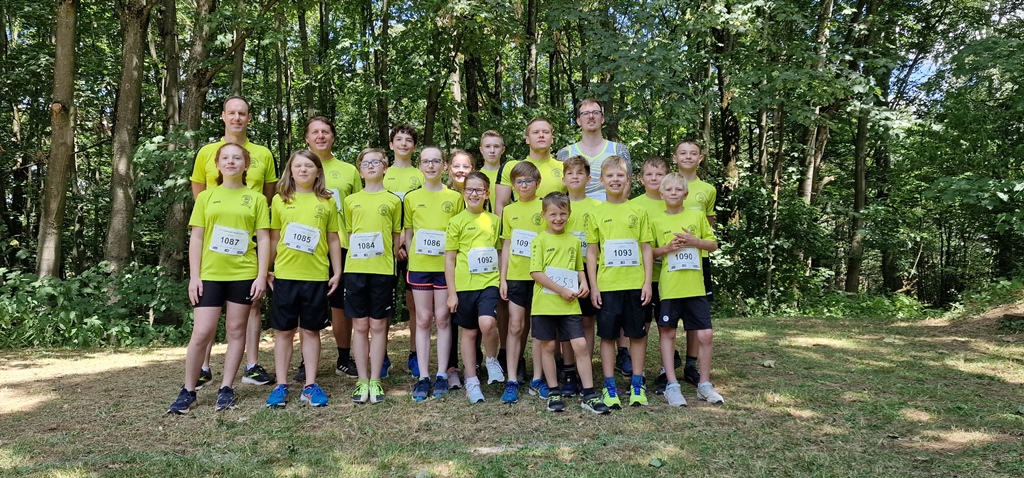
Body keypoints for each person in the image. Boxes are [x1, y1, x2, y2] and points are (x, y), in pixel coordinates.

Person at [168, 143, 271, 414]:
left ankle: (226, 388)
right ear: (217, 164)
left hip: (244, 274)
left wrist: (261, 275)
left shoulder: (257, 199)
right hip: (210, 274)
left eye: (237, 158)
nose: (231, 162)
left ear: (246, 165)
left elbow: (263, 238)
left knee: (236, 331)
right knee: (202, 332)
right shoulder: (206, 197)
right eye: (225, 158)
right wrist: (194, 276)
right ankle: (188, 390)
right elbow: (197, 237)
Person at [189, 95, 277, 388]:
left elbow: (268, 196)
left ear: (249, 118)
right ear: (223, 116)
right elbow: (200, 196)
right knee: (208, 310)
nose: (237, 118)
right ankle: (203, 367)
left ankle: (251, 365)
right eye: (232, 113)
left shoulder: (263, 153)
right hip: (214, 246)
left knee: (251, 306)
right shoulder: (206, 152)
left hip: (250, 238)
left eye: (242, 113)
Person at [264, 150, 343, 408]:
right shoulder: (280, 200)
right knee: (284, 331)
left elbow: (333, 238)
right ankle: (281, 385)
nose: (303, 170)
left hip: (316, 276)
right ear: (290, 170)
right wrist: (266, 268)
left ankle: (310, 385)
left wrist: (337, 271)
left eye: (309, 166)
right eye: (298, 166)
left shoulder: (327, 201)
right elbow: (274, 237)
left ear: (318, 171)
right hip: (285, 275)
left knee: (310, 330)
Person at [529, 192, 611, 414]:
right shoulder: (539, 241)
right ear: (544, 215)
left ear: (569, 214)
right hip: (545, 305)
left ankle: (589, 393)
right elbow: (536, 272)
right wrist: (561, 290)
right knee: (548, 346)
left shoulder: (574, 241)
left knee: (581, 345)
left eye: (563, 214)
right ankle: (553, 391)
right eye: (553, 214)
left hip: (570, 305)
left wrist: (583, 282)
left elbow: (578, 267)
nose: (558, 218)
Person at [294, 117, 362, 382]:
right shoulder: (299, 167)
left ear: (333, 137)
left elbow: (359, 207)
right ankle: (306, 361)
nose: (320, 136)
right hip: (306, 248)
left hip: (341, 245)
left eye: (325, 132)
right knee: (306, 305)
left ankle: (344, 358)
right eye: (315, 132)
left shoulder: (348, 170)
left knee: (341, 306)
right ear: (307, 138)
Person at [586, 155, 654, 409]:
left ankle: (637, 383)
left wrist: (647, 282)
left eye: (620, 175)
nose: (615, 180)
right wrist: (594, 286)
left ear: (628, 179)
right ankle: (609, 385)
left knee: (637, 334)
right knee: (608, 336)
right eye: (610, 176)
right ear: (601, 180)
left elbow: (646, 248)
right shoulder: (595, 213)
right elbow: (591, 252)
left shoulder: (639, 211)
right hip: (608, 286)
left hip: (636, 284)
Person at [650, 173, 723, 406]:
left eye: (678, 189)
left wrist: (695, 242)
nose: (673, 193)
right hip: (670, 289)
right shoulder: (655, 220)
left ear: (686, 193)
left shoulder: (696, 215)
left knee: (705, 334)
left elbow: (713, 245)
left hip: (695, 288)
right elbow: (648, 253)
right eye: (669, 189)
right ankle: (672, 384)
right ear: (661, 193)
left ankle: (704, 384)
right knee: (667, 333)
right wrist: (666, 248)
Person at [405, 146, 464, 400]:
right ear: (420, 166)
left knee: (442, 318)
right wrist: (412, 258)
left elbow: (459, 232)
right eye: (426, 161)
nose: (431, 166)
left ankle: (441, 374)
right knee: (422, 319)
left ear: (444, 166)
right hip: (419, 268)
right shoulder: (411, 198)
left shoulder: (455, 198)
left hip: (444, 269)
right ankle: (423, 377)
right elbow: (408, 232)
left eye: (436, 161)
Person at [345, 148, 402, 404]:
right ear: (360, 171)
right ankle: (362, 380)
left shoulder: (393, 201)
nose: (370, 166)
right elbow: (349, 234)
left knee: (378, 325)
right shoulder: (351, 201)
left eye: (376, 162)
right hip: (356, 271)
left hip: (383, 271)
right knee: (360, 326)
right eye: (365, 163)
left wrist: (389, 257)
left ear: (385, 168)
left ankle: (376, 380)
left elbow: (396, 235)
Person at [445, 172, 503, 403]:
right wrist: (451, 293)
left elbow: (499, 251)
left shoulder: (494, 220)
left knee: (487, 323)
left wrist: (503, 280)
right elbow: (449, 259)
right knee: (469, 332)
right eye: (469, 189)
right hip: (464, 285)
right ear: (463, 192)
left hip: (489, 282)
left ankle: (491, 359)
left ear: (487, 194)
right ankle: (472, 381)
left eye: (479, 190)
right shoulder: (456, 221)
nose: (474, 194)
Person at [629, 156, 680, 394]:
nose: (654, 178)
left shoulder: (673, 203)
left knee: (666, 326)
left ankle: (665, 371)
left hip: (670, 277)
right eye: (649, 174)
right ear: (641, 179)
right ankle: (639, 372)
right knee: (641, 325)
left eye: (659, 175)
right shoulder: (633, 205)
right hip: (641, 277)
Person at [498, 162, 548, 403]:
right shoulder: (509, 211)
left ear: (537, 183)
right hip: (516, 277)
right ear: (513, 185)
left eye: (529, 181)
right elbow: (506, 245)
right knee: (515, 327)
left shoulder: (545, 206)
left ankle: (537, 379)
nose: (524, 185)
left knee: (538, 329)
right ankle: (511, 379)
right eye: (519, 181)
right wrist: (503, 277)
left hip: (541, 277)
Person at [672, 140, 717, 388]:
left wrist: (696, 242)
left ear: (700, 158)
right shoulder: (666, 184)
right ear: (675, 157)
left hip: (696, 261)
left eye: (693, 153)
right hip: (667, 261)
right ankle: (668, 363)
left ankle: (691, 364)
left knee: (694, 316)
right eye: (683, 153)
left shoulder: (708, 190)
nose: (688, 157)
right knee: (666, 316)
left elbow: (707, 225)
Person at [558, 156, 601, 397]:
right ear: (563, 179)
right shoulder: (558, 204)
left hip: (589, 269)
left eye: (580, 173)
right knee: (565, 322)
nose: (575, 177)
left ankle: (587, 369)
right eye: (570, 173)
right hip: (563, 271)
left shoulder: (597, 207)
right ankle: (568, 370)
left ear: (589, 178)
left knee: (587, 321)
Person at [383, 124, 424, 379]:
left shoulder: (421, 175)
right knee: (383, 305)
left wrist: (407, 244)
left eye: (408, 140)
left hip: (414, 248)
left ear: (414, 147)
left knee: (414, 304)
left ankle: (415, 355)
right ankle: (382, 356)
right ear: (391, 144)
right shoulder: (382, 173)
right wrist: (395, 244)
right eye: (399, 139)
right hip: (385, 248)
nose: (403, 144)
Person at [556, 98, 631, 202]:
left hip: (611, 209)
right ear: (578, 121)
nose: (591, 116)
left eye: (596, 113)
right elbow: (562, 191)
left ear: (602, 118)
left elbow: (626, 188)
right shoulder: (565, 153)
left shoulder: (619, 150)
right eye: (585, 113)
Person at [495, 118, 567, 217]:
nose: (541, 135)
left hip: (556, 225)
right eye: (536, 132)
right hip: (521, 224)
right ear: (527, 139)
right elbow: (501, 204)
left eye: (546, 132)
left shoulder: (565, 168)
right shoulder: (511, 167)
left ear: (552, 139)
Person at [479, 130, 506, 208]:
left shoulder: (508, 175)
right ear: (481, 150)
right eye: (487, 146)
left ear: (503, 150)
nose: (492, 151)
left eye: (496, 146)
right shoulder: (476, 177)